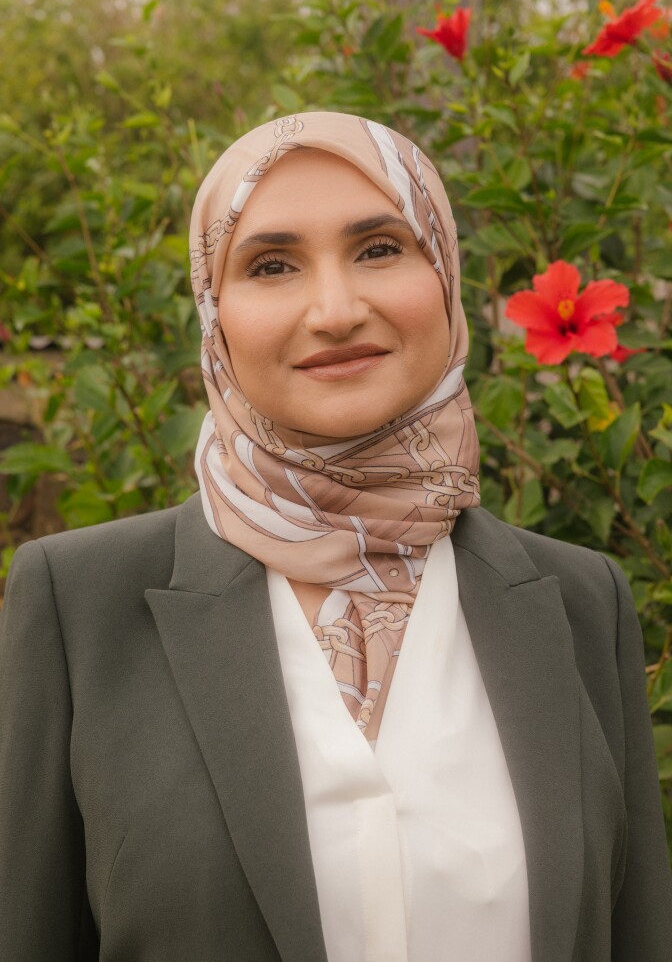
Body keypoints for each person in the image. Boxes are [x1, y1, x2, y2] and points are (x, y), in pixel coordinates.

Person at [1, 111, 670, 962]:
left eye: (380, 248)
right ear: (216, 313)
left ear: (445, 271)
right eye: (272, 264)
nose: (335, 309)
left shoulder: (582, 603)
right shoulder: (77, 603)